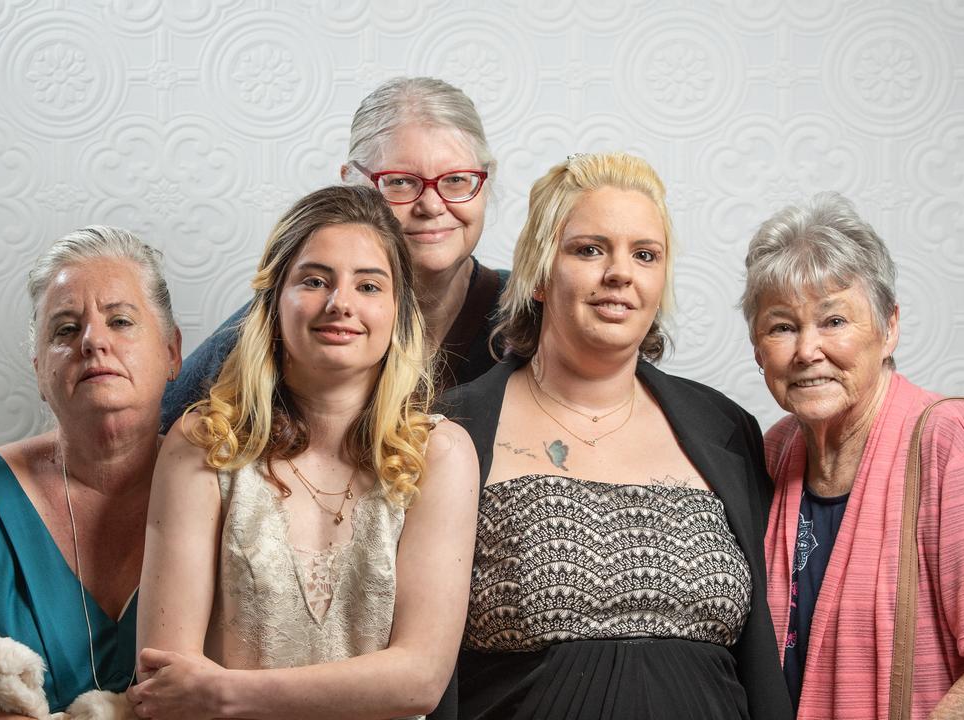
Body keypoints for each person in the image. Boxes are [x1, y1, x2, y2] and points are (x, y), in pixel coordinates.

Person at [439, 153, 792, 720]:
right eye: (589, 249)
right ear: (538, 272)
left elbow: (759, 654)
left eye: (645, 255)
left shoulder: (726, 429)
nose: (620, 273)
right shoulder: (450, 429)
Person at [128, 185, 479, 719]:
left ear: (397, 311)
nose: (341, 304)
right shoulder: (203, 444)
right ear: (272, 300)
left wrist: (226, 693)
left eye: (369, 285)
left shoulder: (440, 454)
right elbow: (165, 681)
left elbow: (419, 680)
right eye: (314, 281)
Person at [742, 192, 964, 719]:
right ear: (758, 351)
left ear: (889, 328)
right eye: (782, 327)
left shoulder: (955, 440)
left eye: (834, 321)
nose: (806, 350)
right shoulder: (773, 452)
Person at [0, 227, 183, 717]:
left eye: (121, 320)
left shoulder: (226, 485)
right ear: (39, 369)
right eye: (65, 329)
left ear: (172, 352)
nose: (92, 341)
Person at [161, 76, 504, 430]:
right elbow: (158, 431)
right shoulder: (282, 321)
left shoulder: (528, 311)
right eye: (400, 181)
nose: (432, 205)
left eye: (457, 180)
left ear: (485, 181)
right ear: (352, 185)